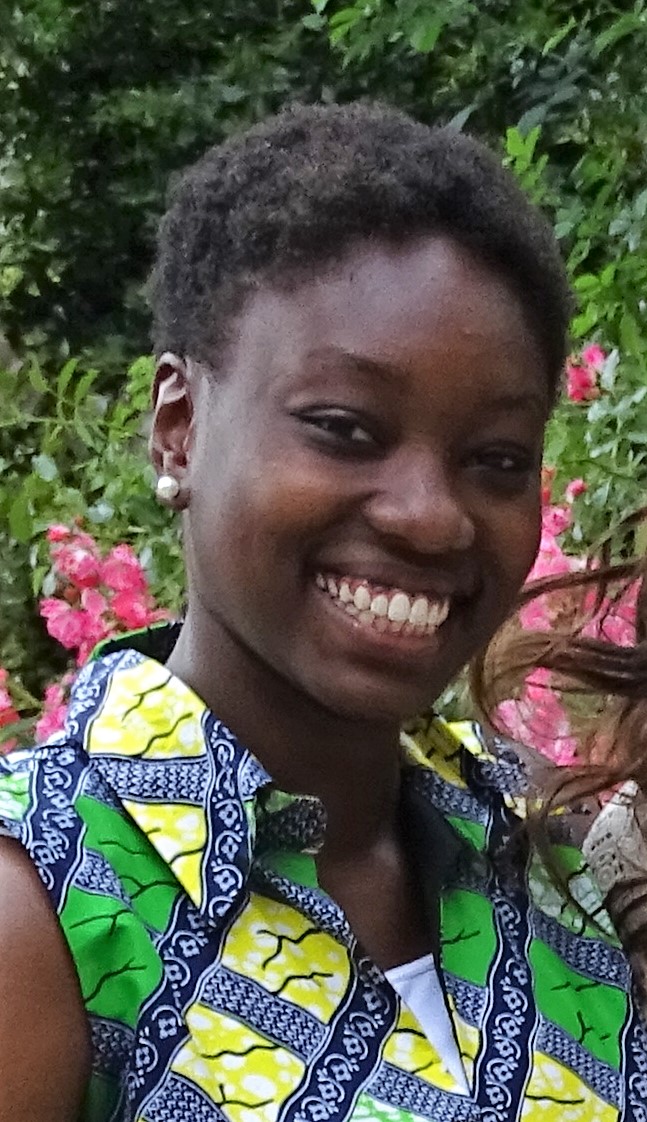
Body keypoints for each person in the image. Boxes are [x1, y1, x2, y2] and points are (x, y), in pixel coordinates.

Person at [0, 101, 643, 1122]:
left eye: (494, 459)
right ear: (177, 428)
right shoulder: (42, 906)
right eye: (344, 429)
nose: (431, 517)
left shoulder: (553, 853)